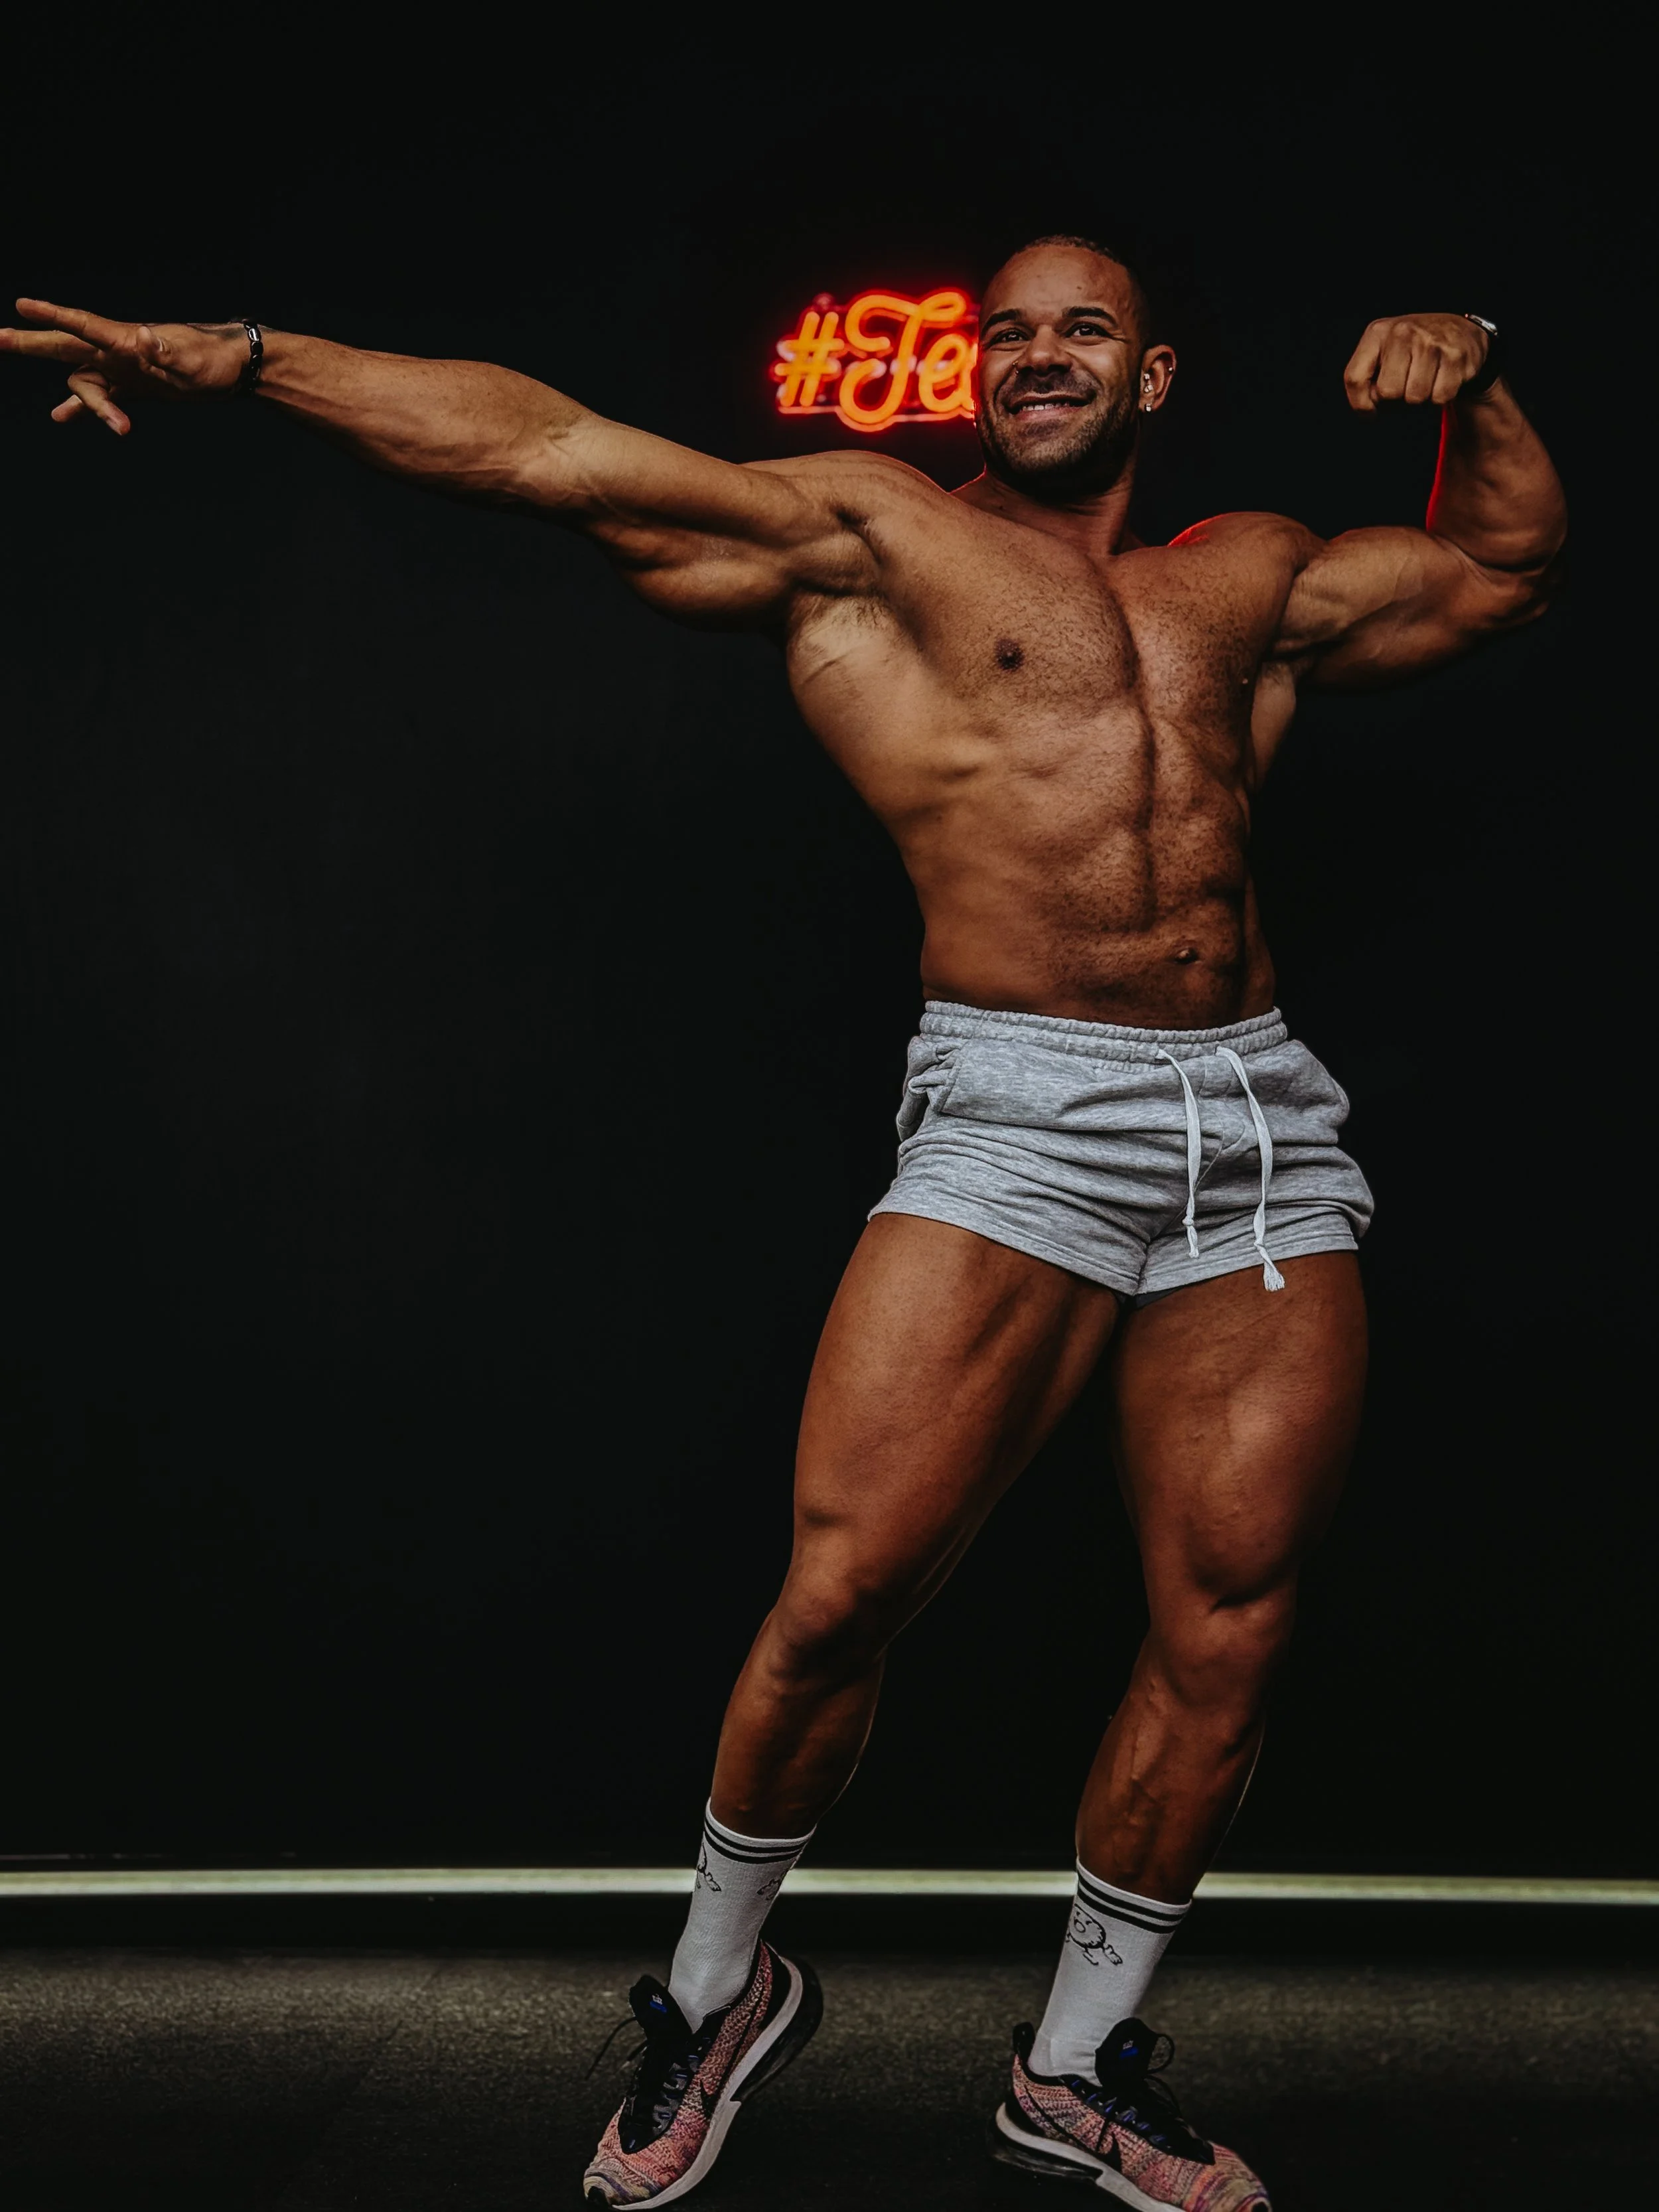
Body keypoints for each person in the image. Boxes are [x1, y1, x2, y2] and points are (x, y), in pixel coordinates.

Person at [0, 236, 1565, 2210]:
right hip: (1015, 1113)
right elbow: (546, 450)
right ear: (965, 375)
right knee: (838, 1598)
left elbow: (1503, 567)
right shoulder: (871, 541)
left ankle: (1074, 2062)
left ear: (1153, 377)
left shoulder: (1247, 577)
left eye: (1083, 328)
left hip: (1256, 1120)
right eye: (1004, 332)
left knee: (1229, 1622)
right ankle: (714, 1988)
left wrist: (1476, 376)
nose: (1035, 354)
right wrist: (235, 359)